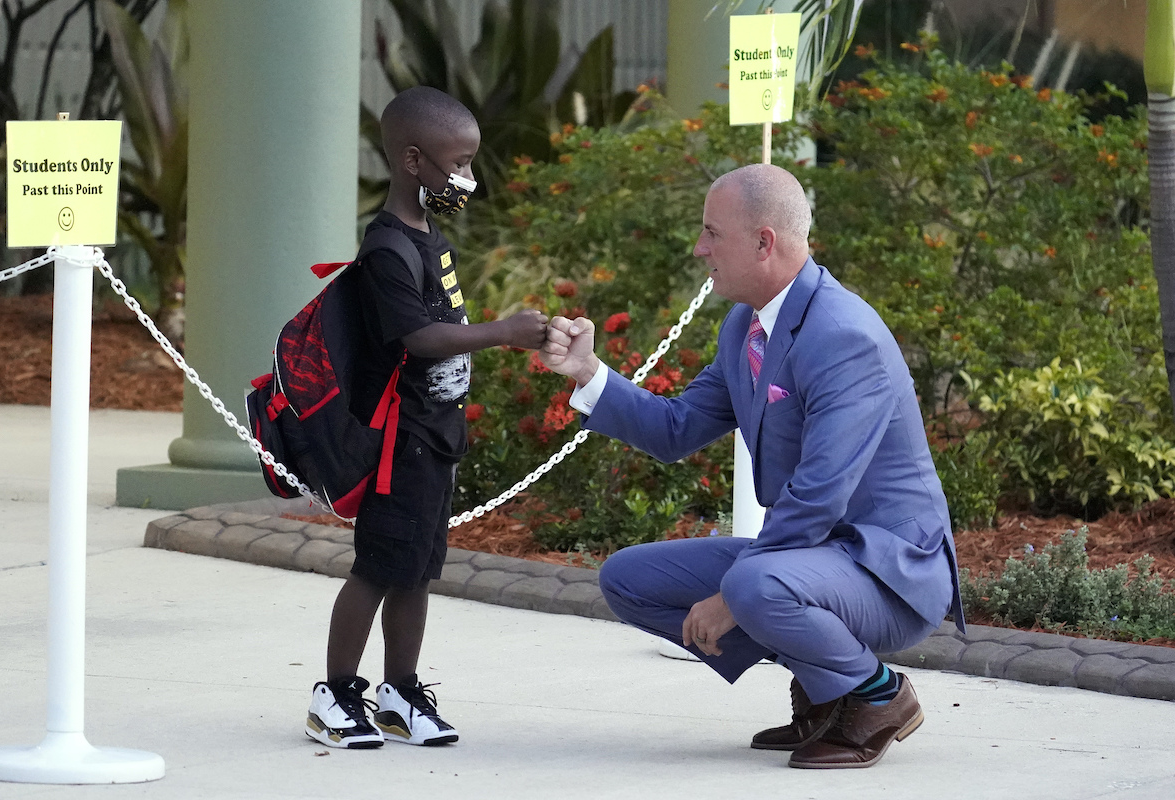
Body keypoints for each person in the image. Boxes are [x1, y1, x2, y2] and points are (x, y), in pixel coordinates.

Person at [540, 164, 964, 769]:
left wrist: (733, 602)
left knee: (750, 584)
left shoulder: (844, 335)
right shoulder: (746, 324)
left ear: (764, 242)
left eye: (713, 232)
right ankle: (827, 695)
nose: (700, 247)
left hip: (890, 573)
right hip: (816, 561)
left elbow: (818, 495)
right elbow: (675, 429)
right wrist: (587, 372)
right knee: (628, 580)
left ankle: (876, 696)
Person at [305, 86, 548, 749]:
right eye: (458, 164)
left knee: (417, 568)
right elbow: (415, 338)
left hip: (436, 435)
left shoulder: (429, 235)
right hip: (399, 441)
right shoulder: (387, 246)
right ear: (414, 161)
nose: (467, 179)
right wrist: (502, 331)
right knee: (378, 568)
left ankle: (400, 693)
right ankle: (335, 696)